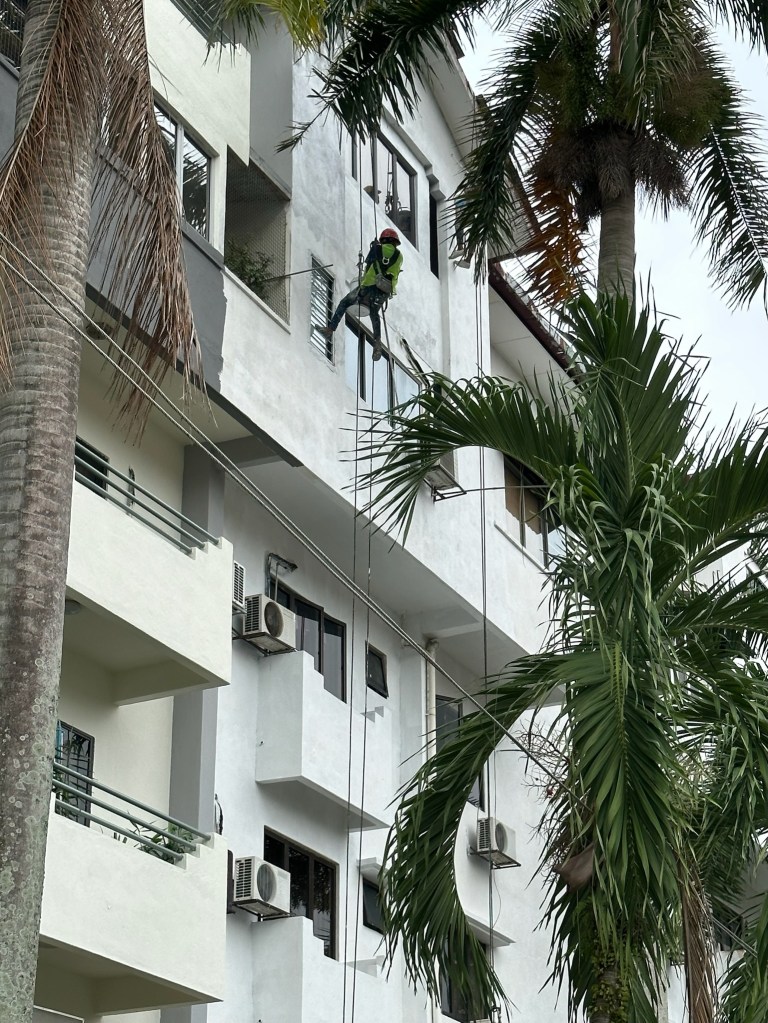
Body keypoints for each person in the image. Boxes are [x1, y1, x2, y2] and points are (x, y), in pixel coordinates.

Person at [321, 228, 403, 360]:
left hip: (369, 285)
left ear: (383, 240)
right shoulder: (399, 256)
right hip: (384, 291)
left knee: (345, 302)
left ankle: (330, 330)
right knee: (374, 313)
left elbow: (368, 266)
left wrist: (374, 248)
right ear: (395, 242)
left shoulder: (376, 249)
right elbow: (395, 272)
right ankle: (377, 343)